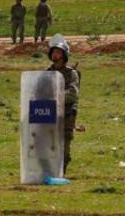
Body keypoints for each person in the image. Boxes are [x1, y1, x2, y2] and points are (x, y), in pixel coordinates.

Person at [46, 35, 80, 174]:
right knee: (49, 147)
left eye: (58, 52)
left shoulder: (72, 74)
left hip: (66, 116)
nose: (55, 54)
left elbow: (72, 94)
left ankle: (61, 173)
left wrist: (55, 98)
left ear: (64, 55)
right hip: (49, 116)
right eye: (53, 52)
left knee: (64, 151)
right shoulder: (47, 73)